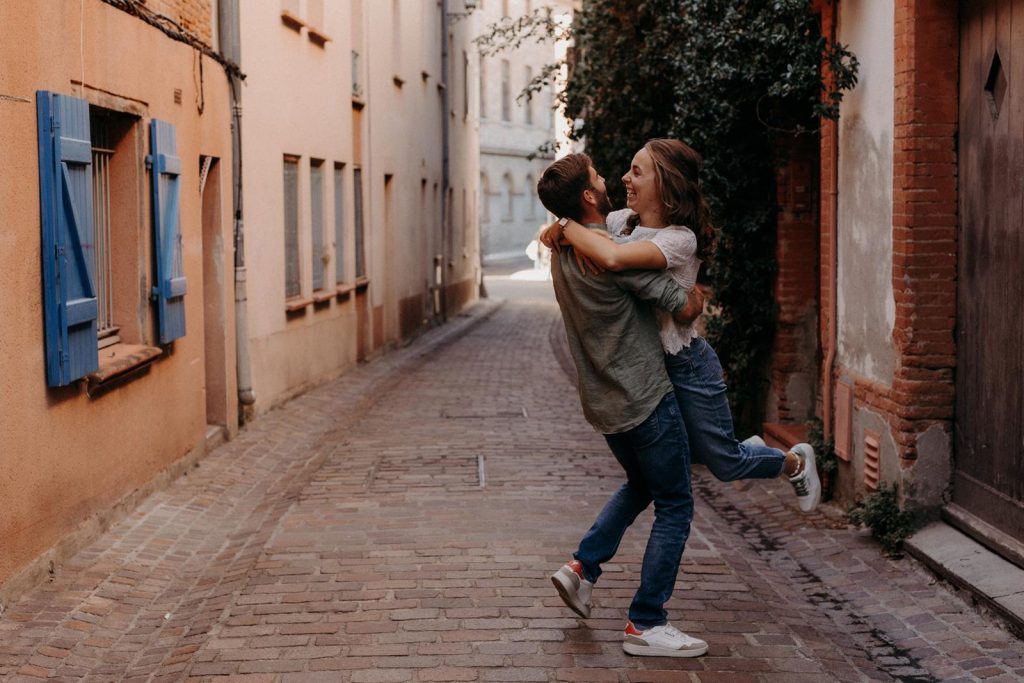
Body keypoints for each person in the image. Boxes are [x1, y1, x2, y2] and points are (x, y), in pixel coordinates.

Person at [541, 139, 821, 512]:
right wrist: (558, 230)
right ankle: (743, 448)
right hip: (651, 366)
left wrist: (562, 227)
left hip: (685, 362)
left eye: (637, 171)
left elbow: (611, 256)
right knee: (687, 457)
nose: (624, 177)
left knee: (724, 464)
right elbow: (586, 224)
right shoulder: (620, 221)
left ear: (666, 185)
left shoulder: (678, 239)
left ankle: (795, 462)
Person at [536, 153, 709, 658]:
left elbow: (572, 235)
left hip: (604, 403)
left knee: (641, 485)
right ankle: (646, 622)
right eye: (597, 178)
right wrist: (696, 293)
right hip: (646, 397)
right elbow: (683, 303)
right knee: (676, 504)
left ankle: (581, 568)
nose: (608, 180)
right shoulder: (609, 252)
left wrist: (562, 227)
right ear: (589, 196)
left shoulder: (564, 249)